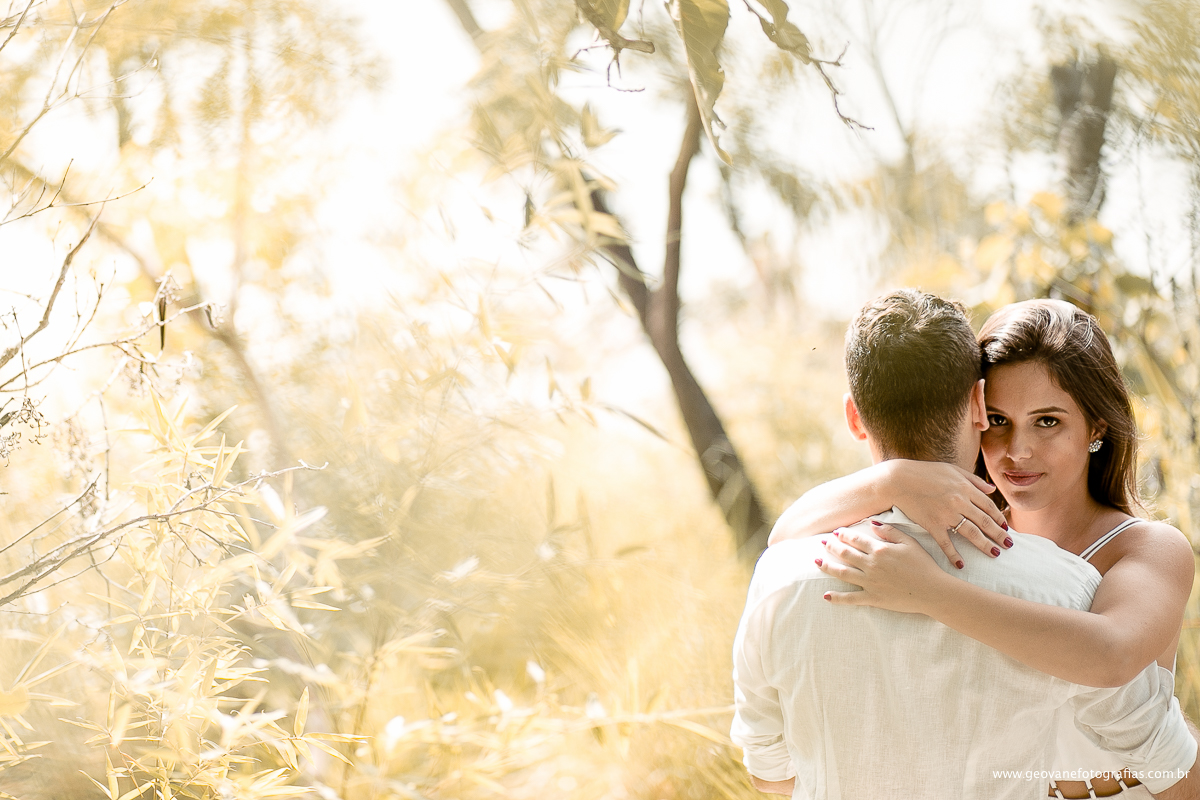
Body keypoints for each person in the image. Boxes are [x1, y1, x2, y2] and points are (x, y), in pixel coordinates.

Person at [731, 290, 1200, 800]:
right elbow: (784, 537)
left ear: (1096, 427)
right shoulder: (966, 533)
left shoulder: (1147, 548)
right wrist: (893, 479)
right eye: (999, 420)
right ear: (976, 411)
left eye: (1047, 422)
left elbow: (1110, 656)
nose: (1018, 451)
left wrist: (932, 593)